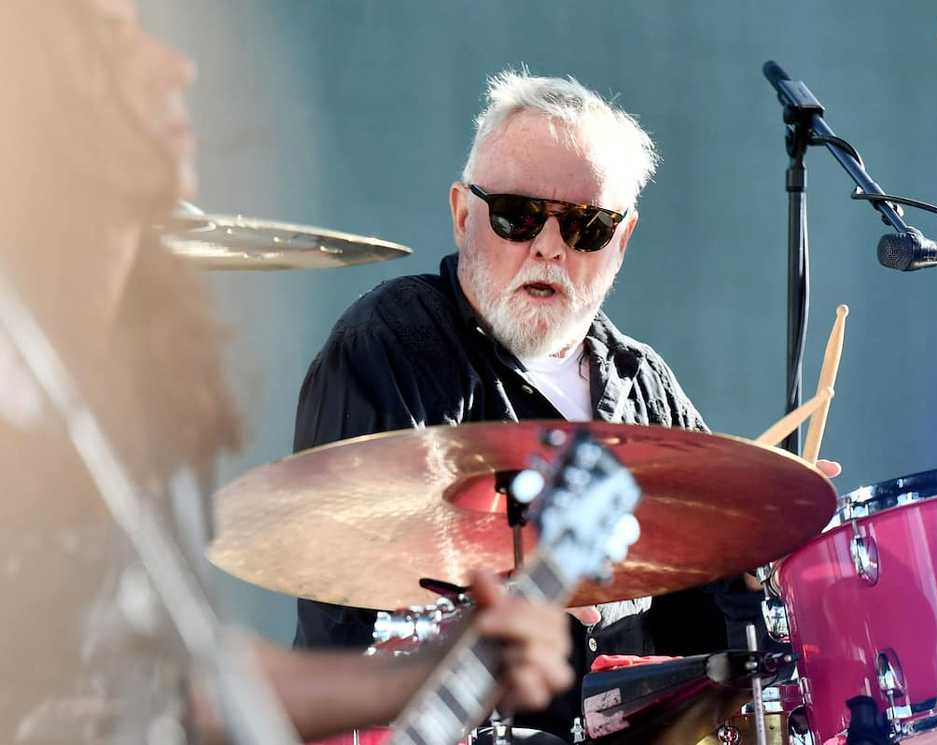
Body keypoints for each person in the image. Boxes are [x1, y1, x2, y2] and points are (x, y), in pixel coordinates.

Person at [0, 1, 572, 743]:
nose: (177, 66)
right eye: (114, 39)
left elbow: (187, 679)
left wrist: (430, 667)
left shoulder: (137, 388)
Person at [292, 69, 843, 738]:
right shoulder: (387, 347)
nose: (549, 245)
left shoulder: (644, 385)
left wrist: (774, 552)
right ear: (464, 214)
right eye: (517, 216)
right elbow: (346, 620)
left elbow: (722, 633)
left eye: (588, 226)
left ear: (623, 240)